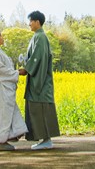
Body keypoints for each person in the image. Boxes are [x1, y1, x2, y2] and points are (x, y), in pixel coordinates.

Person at [18, 10, 60, 150]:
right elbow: (34, 57)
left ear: (37, 22)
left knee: (41, 110)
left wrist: (27, 69)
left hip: (40, 84)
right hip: (38, 81)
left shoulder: (41, 37)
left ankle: (46, 140)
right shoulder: (37, 36)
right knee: (37, 111)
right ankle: (44, 139)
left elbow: (38, 58)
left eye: (30, 21)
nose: (29, 24)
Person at [0, 29, 27, 151]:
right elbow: (1, 71)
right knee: (3, 115)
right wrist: (18, 73)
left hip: (3, 90)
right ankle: (1, 142)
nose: (3, 38)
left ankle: (6, 140)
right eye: (0, 36)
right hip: (1, 91)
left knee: (6, 115)